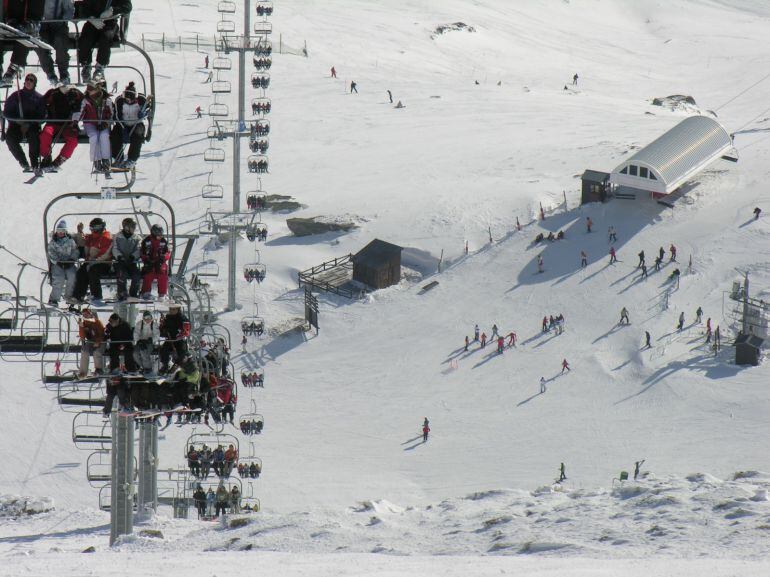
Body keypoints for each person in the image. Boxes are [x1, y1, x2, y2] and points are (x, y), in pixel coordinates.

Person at [77, 0, 133, 84]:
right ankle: (86, 65)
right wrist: (91, 18)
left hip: (110, 23)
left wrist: (112, 10)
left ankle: (100, 67)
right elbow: (84, 6)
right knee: (86, 38)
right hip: (93, 22)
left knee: (105, 38)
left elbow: (127, 6)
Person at [3, 73, 46, 174]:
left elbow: (42, 116)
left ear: (34, 83)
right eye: (27, 79)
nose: (28, 82)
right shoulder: (15, 96)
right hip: (17, 125)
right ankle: (23, 162)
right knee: (10, 138)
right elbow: (7, 112)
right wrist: (16, 120)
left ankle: (34, 164)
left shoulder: (39, 98)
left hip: (32, 126)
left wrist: (30, 123)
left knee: (34, 137)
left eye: (31, 80)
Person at [40, 84, 84, 171]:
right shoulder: (53, 93)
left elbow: (83, 102)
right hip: (53, 122)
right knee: (45, 134)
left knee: (72, 140)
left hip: (68, 124)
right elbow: (42, 102)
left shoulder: (75, 92)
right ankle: (46, 156)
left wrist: (76, 98)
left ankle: (59, 161)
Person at [72, 217, 113, 304]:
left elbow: (106, 254)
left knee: (92, 272)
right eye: (92, 228)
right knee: (81, 272)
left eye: (95, 228)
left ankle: (97, 296)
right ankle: (78, 296)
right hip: (91, 262)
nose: (93, 230)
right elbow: (83, 240)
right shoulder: (91, 237)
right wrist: (80, 232)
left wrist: (93, 262)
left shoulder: (106, 238)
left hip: (103, 263)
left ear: (101, 228)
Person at [110, 82, 149, 168]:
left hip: (136, 123)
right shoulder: (119, 100)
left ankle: (132, 159)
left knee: (137, 136)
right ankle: (118, 158)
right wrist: (123, 128)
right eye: (126, 100)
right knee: (115, 136)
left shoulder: (141, 100)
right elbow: (117, 115)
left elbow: (148, 109)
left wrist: (143, 114)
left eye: (130, 100)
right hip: (122, 123)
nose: (128, 101)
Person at [80, 81, 114, 173]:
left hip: (103, 123)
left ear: (97, 89)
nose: (90, 93)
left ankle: (106, 160)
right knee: (94, 136)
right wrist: (75, 121)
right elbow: (81, 112)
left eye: (92, 90)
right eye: (89, 91)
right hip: (90, 123)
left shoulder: (106, 100)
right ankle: (96, 160)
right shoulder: (86, 100)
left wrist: (106, 123)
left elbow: (111, 114)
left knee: (104, 136)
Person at [39, 0, 75, 85]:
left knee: (60, 40)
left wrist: (62, 20)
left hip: (58, 24)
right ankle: (50, 72)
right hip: (42, 25)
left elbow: (69, 10)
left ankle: (63, 72)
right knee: (40, 42)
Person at [46, 220, 79, 306]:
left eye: (62, 231)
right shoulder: (53, 242)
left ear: (65, 232)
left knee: (72, 276)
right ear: (56, 231)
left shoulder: (70, 241)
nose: (60, 233)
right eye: (59, 231)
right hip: (58, 264)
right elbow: (51, 253)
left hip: (69, 263)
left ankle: (69, 296)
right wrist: (58, 262)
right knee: (58, 279)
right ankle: (54, 299)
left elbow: (75, 251)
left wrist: (72, 260)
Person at [112, 217, 142, 300]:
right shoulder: (118, 236)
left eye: (134, 227)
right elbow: (114, 248)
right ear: (126, 227)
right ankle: (122, 293)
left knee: (136, 275)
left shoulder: (137, 238)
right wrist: (119, 256)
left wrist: (133, 256)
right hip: (119, 262)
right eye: (132, 227)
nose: (134, 229)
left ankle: (133, 294)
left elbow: (139, 249)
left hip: (131, 262)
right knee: (122, 274)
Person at [140, 224, 170, 300]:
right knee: (149, 273)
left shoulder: (163, 241)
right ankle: (146, 292)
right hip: (149, 262)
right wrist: (146, 259)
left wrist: (163, 258)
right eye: (158, 232)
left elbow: (167, 252)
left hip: (160, 262)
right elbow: (142, 252)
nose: (159, 235)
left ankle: (162, 294)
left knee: (162, 273)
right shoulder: (147, 240)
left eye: (161, 233)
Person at [159, 303, 189, 373]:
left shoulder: (183, 318)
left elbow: (186, 330)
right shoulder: (167, 317)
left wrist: (178, 335)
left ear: (178, 309)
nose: (172, 311)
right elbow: (163, 328)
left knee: (181, 353)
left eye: (174, 309)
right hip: (170, 339)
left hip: (179, 340)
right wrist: (163, 329)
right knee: (163, 350)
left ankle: (177, 366)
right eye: (170, 309)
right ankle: (165, 365)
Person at [78, 309, 105, 377]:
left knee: (96, 352)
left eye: (86, 314)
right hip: (91, 341)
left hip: (101, 341)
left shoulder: (97, 322)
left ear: (90, 315)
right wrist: (81, 327)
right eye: (84, 315)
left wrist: (98, 342)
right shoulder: (84, 323)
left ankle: (99, 369)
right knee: (84, 351)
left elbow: (102, 334)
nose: (85, 316)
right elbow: (82, 336)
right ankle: (83, 372)